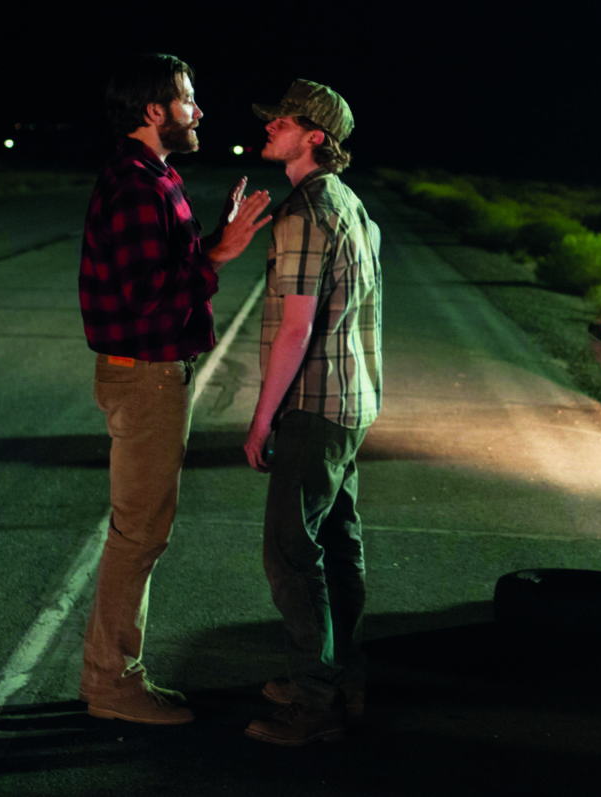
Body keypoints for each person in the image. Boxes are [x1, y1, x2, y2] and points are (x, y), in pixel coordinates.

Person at [78, 53, 271, 724]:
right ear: (154, 110)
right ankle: (112, 684)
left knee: (140, 532)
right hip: (147, 374)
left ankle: (110, 677)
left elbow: (167, 268)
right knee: (138, 535)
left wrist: (214, 238)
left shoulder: (154, 175)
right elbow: (144, 296)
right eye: (188, 99)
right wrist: (218, 252)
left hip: (150, 372)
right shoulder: (137, 185)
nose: (199, 111)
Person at [241, 80, 383, 746]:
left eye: (282, 121)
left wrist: (261, 419)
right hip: (352, 402)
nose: (269, 126)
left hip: (314, 404)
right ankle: (342, 675)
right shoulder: (349, 203)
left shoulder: (305, 213)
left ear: (314, 137)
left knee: (290, 555)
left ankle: (314, 700)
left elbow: (296, 330)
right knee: (338, 546)